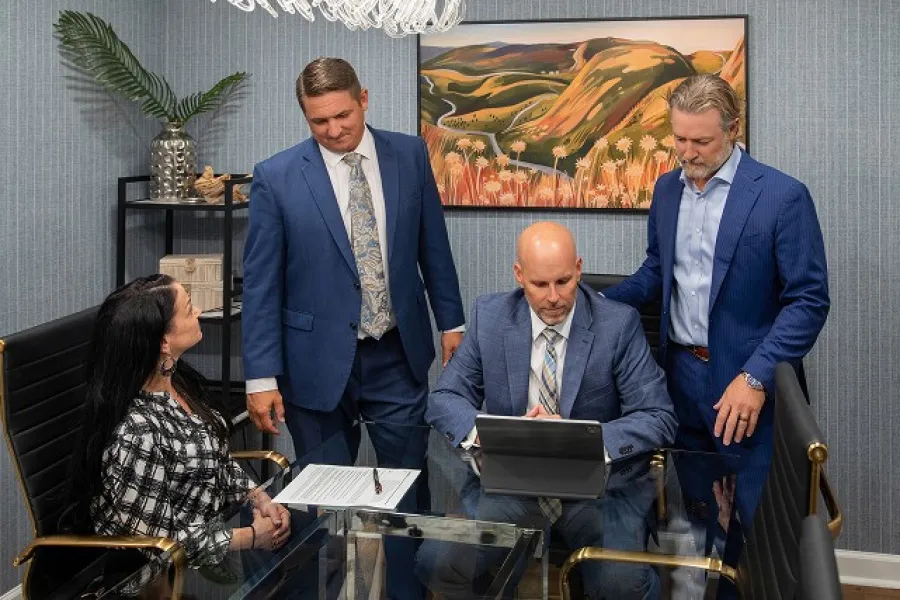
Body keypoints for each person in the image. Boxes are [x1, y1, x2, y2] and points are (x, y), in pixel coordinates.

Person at [242, 57, 465, 598]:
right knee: (324, 499)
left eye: (342, 115)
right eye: (319, 122)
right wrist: (260, 377)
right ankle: (326, 590)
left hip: (396, 352)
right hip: (313, 365)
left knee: (406, 493)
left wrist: (451, 321)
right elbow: (261, 284)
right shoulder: (275, 177)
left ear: (363, 98)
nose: (335, 130)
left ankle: (406, 592)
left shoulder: (409, 155)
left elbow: (433, 246)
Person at [603, 74, 830, 543]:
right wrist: (594, 303)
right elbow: (658, 271)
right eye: (679, 139)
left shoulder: (781, 196)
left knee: (753, 523)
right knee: (702, 510)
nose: (687, 153)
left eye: (701, 141)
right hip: (680, 377)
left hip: (745, 385)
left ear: (733, 128)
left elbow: (807, 301)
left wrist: (755, 377)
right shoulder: (667, 190)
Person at [418, 222, 677, 599]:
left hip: (596, 491)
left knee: (622, 585)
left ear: (579, 268)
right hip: (513, 485)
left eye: (564, 281)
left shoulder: (618, 324)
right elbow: (443, 399)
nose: (554, 297)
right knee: (436, 561)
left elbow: (659, 416)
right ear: (519, 275)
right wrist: (495, 437)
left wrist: (580, 440)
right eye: (540, 285)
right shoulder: (491, 318)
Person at [64, 274, 291, 580]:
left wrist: (259, 498)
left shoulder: (176, 382)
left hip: (207, 550)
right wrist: (250, 536)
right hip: (153, 581)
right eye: (188, 309)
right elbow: (163, 547)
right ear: (164, 342)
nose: (198, 312)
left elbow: (214, 457)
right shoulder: (136, 433)